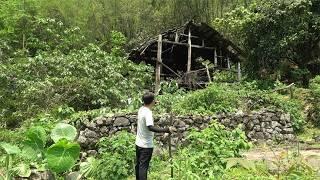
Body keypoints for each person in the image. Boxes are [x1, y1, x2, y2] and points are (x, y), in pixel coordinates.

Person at [135, 92, 175, 180]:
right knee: (143, 167)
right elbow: (151, 127)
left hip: (138, 143)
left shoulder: (141, 109)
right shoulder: (148, 113)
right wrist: (166, 129)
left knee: (139, 165)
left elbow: (148, 104)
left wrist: (153, 103)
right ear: (152, 101)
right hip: (146, 145)